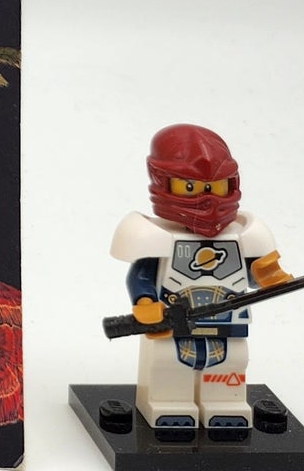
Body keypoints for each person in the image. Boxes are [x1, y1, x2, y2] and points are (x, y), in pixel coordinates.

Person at [108, 124, 294, 434]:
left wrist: (267, 274)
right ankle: (168, 406)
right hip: (173, 323)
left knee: (231, 363)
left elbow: (250, 274)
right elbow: (141, 276)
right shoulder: (156, 237)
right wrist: (145, 302)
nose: (208, 198)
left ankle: (226, 406)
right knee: (168, 364)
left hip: (228, 323)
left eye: (217, 187)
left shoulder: (242, 236)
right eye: (190, 187)